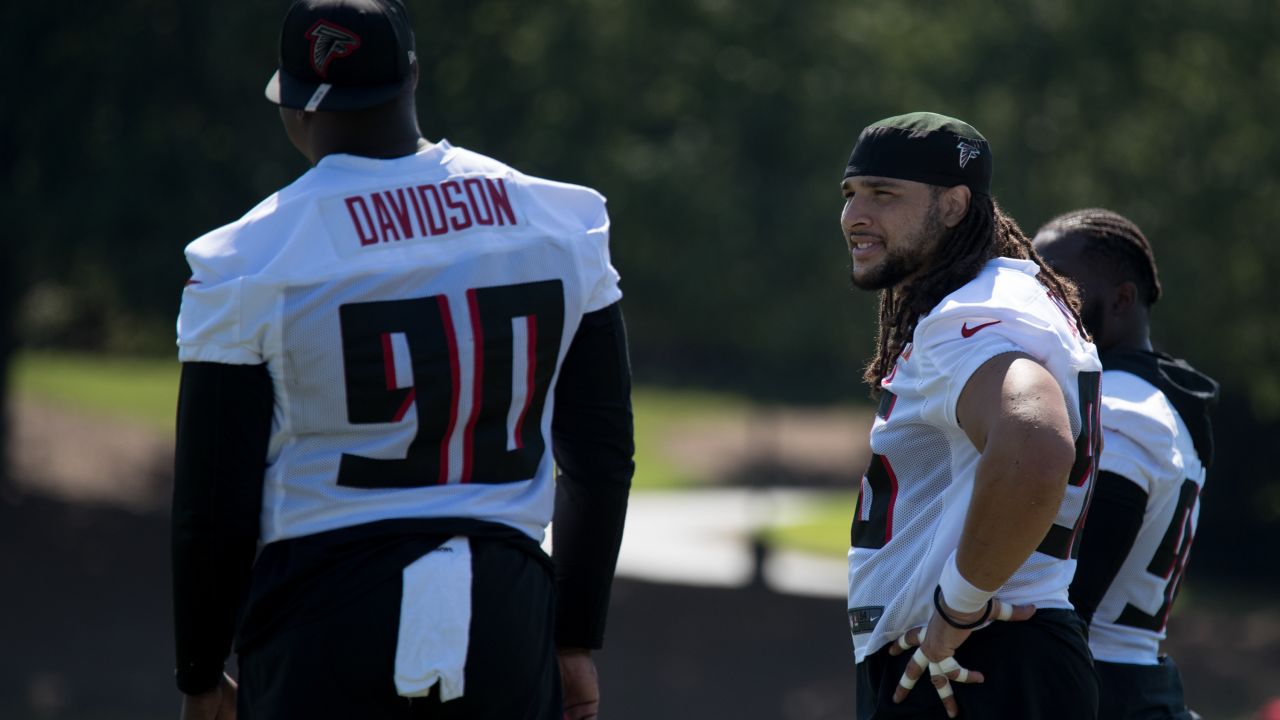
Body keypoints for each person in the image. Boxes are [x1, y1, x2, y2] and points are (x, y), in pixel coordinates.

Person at [170, 1, 634, 718]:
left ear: (294, 105)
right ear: (413, 75)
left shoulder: (247, 257)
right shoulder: (561, 220)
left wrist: (200, 673)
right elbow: (600, 460)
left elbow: (214, 502)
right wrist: (573, 638)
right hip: (503, 618)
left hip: (325, 617)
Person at [841, 112, 1102, 719]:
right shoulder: (1010, 296)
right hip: (1001, 656)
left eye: (884, 194)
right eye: (851, 194)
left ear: (955, 205)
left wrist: (954, 611)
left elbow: (1035, 447)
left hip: (973, 663)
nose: (855, 215)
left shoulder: (974, 314)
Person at [1034, 209, 1218, 720]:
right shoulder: (1153, 398)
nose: (1043, 299)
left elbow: (1071, 599)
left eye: (1059, 282)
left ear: (1121, 299)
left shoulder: (1118, 408)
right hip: (1130, 675)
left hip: (1095, 681)